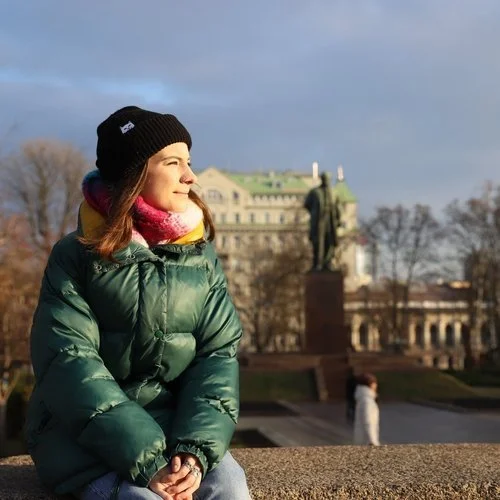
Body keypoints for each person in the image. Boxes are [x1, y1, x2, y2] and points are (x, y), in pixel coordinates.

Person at [25, 106, 251, 500]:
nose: (190, 176)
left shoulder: (200, 255)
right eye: (173, 162)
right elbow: (69, 363)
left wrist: (194, 452)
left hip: (176, 433)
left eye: (189, 162)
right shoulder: (75, 256)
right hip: (81, 438)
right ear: (133, 174)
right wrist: (147, 461)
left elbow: (217, 357)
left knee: (230, 487)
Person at [303, 172, 342, 271]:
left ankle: (328, 263)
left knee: (329, 241)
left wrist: (338, 219)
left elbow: (338, 207)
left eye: (328, 179)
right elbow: (307, 204)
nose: (326, 181)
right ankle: (318, 263)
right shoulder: (314, 192)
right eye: (325, 179)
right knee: (318, 242)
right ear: (322, 179)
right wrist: (314, 213)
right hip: (318, 221)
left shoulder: (334, 192)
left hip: (330, 220)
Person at [353, 373, 380, 446]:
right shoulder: (367, 401)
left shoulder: (362, 399)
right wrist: (372, 441)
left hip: (362, 441)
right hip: (367, 443)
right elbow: (368, 421)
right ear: (371, 384)